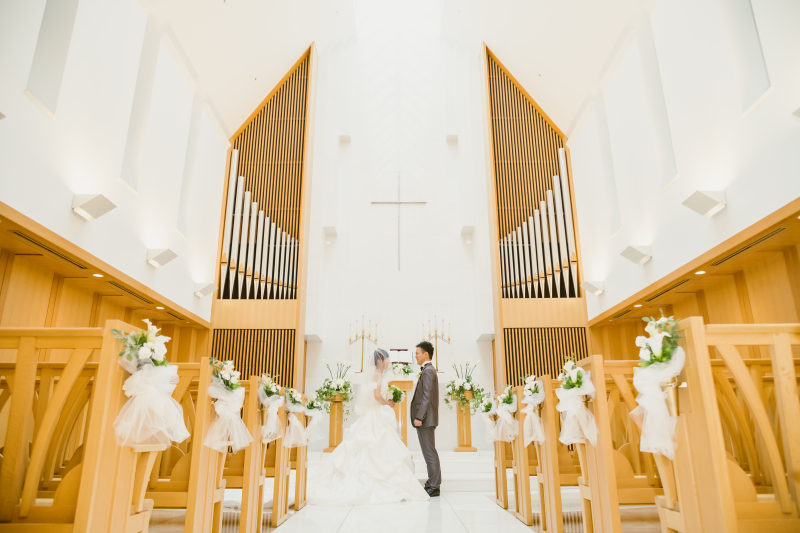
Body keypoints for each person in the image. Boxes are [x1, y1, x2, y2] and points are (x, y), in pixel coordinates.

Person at [307, 348, 429, 505]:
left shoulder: (376, 374)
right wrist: (389, 403)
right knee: (376, 443)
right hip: (376, 414)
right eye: (386, 359)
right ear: (380, 360)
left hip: (374, 414)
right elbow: (377, 396)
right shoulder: (377, 374)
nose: (388, 362)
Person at [410, 341, 441, 497]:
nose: (415, 355)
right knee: (429, 452)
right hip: (427, 419)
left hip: (426, 419)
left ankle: (434, 486)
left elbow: (426, 396)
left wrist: (419, 417)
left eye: (417, 353)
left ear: (425, 354)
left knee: (429, 453)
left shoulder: (428, 371)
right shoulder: (428, 370)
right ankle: (432, 483)